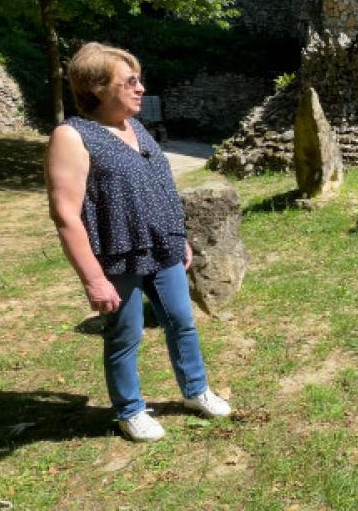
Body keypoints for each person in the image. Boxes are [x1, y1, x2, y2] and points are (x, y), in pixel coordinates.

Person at [46, 42, 231, 441]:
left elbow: (157, 186)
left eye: (139, 80)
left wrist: (177, 236)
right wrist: (94, 278)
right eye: (129, 81)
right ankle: (129, 409)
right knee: (126, 333)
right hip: (116, 255)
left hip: (162, 246)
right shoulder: (72, 136)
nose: (141, 88)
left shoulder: (135, 126)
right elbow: (65, 214)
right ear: (96, 88)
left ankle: (196, 391)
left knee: (182, 321)